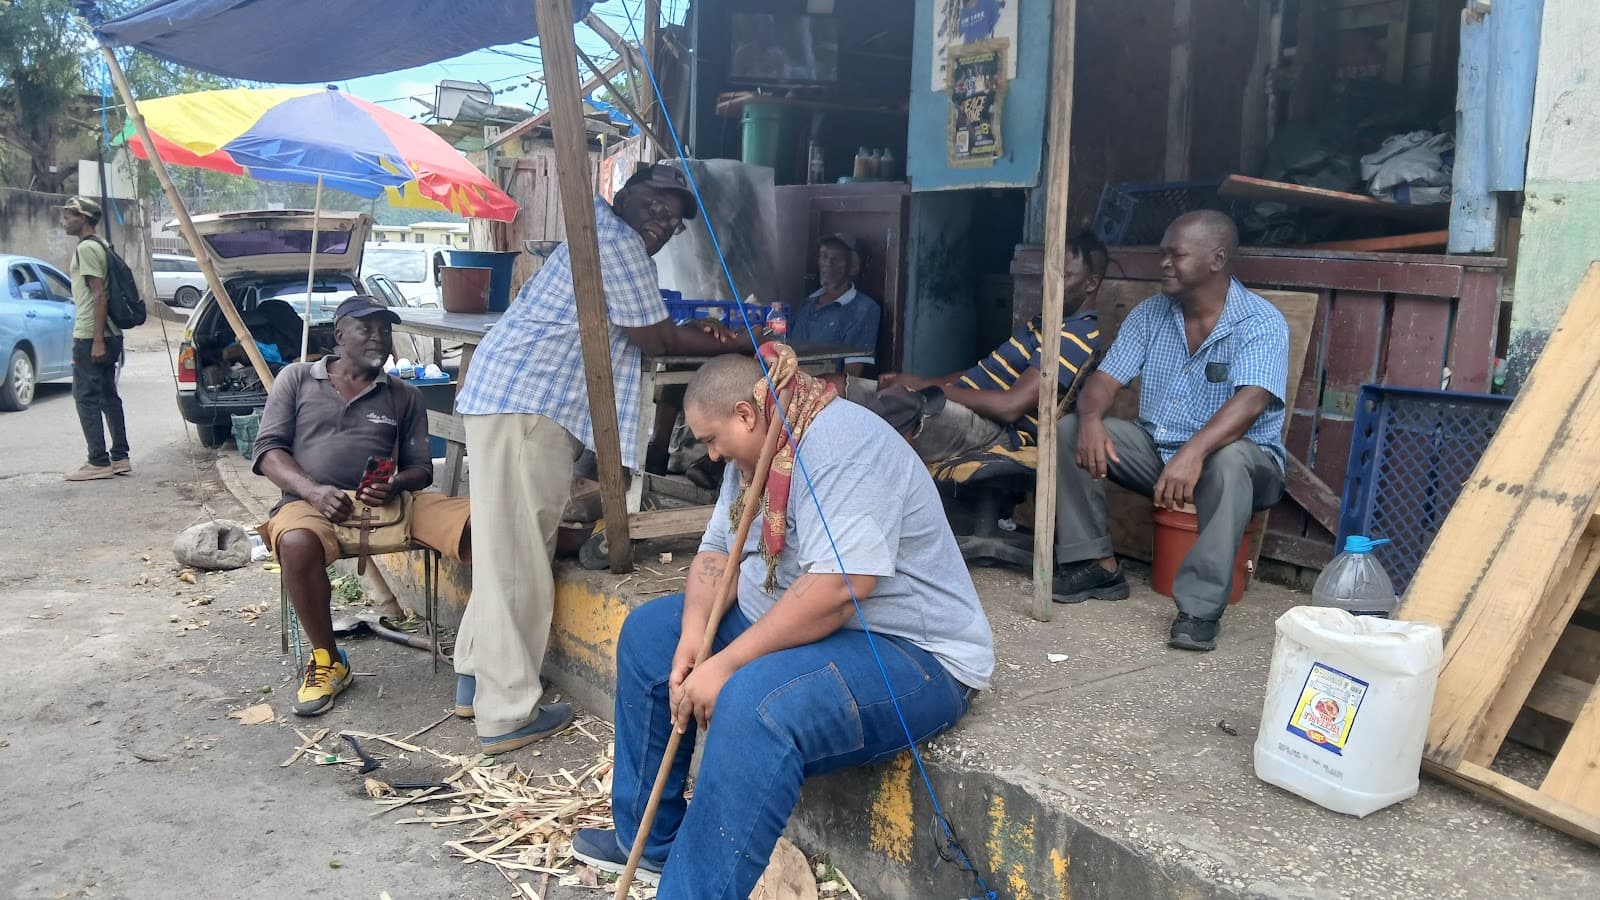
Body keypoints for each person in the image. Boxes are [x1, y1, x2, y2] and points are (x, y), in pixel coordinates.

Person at [567, 349, 994, 897]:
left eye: (711, 439)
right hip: (811, 628)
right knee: (652, 637)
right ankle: (650, 848)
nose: (712, 455)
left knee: (754, 706)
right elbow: (717, 556)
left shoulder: (842, 445)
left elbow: (840, 591)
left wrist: (724, 664)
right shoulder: (759, 450)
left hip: (909, 651)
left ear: (746, 414)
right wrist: (695, 639)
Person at [453, 162, 742, 755]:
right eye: (657, 205)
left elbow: (651, 326)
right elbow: (656, 338)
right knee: (518, 559)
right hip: (527, 406)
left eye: (673, 219)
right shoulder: (617, 240)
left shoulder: (603, 235)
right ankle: (505, 711)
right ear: (627, 192)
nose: (662, 223)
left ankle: (474, 679)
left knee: (501, 545)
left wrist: (708, 330)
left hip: (508, 400)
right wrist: (740, 342)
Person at [1052, 211, 1287, 651]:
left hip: (1242, 466)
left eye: (1175, 255)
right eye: (1162, 254)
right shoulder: (1151, 314)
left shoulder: (1260, 321)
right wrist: (1088, 421)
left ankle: (1199, 609)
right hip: (1159, 452)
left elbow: (1252, 400)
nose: (1163, 263)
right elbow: (1104, 380)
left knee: (1229, 458)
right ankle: (1096, 565)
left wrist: (1194, 452)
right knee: (1069, 430)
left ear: (1216, 259)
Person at [252, 296, 473, 716]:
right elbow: (267, 452)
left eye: (384, 329)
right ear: (339, 335)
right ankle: (328, 661)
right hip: (310, 502)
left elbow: (420, 469)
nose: (378, 337)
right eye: (365, 328)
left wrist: (394, 484)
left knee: (482, 525)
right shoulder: (297, 379)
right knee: (296, 542)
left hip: (387, 504)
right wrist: (313, 490)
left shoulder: (403, 395)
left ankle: (486, 658)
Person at [843, 230, 1109, 463]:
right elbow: (978, 373)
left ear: (1091, 283)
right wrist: (922, 382)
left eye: (1064, 275)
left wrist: (926, 388)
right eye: (1049, 272)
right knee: (836, 389)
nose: (1048, 282)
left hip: (995, 432)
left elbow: (1011, 406)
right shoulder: (1044, 324)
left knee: (890, 406)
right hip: (964, 408)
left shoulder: (1074, 336)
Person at [60, 196, 131, 482]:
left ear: (85, 219)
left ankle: (98, 461)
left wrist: (97, 340)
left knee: (85, 397)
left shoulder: (88, 248)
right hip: (109, 332)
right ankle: (120, 457)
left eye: (70, 216)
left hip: (92, 334)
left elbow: (99, 294)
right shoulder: (102, 245)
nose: (65, 221)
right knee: (107, 396)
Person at [789, 233, 882, 376]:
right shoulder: (807, 303)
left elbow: (850, 375)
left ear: (853, 267)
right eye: (824, 256)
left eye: (836, 259)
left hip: (822, 392)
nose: (827, 263)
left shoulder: (864, 309)